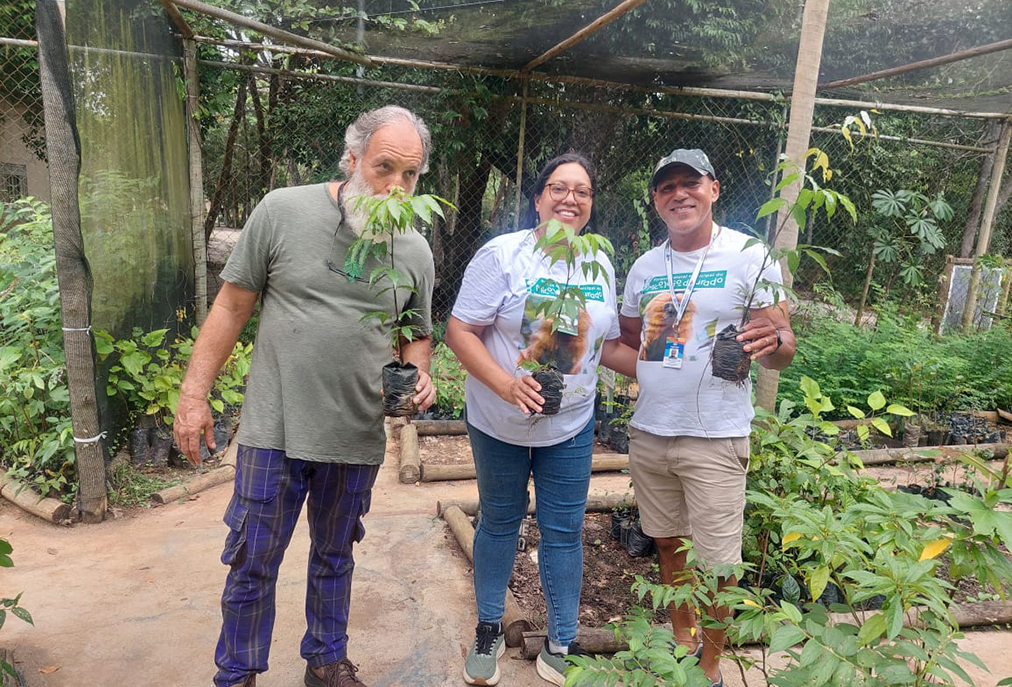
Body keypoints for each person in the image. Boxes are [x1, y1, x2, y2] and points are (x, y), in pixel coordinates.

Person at [173, 105, 437, 687]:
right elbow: (231, 306)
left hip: (355, 432)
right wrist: (193, 396)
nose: (396, 186)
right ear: (352, 158)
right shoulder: (282, 211)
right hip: (276, 428)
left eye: (410, 175)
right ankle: (237, 672)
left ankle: (326, 660)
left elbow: (415, 333)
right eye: (384, 167)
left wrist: (419, 374)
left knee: (335, 556)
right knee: (252, 559)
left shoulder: (414, 249)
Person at [446, 153, 638, 686]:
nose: (570, 198)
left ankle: (561, 640)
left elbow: (608, 346)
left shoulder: (598, 263)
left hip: (570, 425)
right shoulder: (502, 255)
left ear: (591, 203)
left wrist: (668, 366)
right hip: (499, 420)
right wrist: (507, 385)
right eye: (558, 187)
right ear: (537, 199)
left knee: (564, 530)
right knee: (499, 520)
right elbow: (460, 332)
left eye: (582, 191)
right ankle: (488, 628)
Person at [618, 149, 796, 687]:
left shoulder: (750, 255)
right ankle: (682, 640)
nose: (679, 194)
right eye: (666, 186)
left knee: (719, 563)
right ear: (656, 200)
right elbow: (631, 340)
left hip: (715, 436)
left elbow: (784, 345)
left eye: (690, 183)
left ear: (713, 189)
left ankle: (711, 667)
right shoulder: (645, 267)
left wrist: (773, 343)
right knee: (667, 543)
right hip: (651, 430)